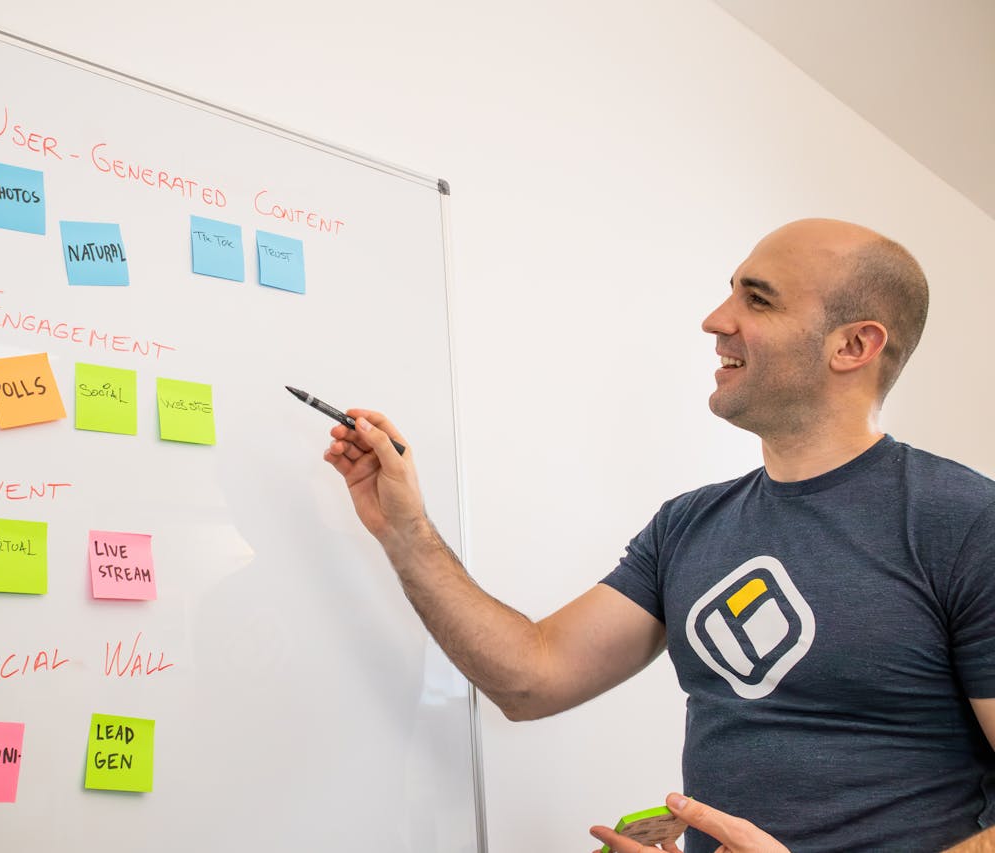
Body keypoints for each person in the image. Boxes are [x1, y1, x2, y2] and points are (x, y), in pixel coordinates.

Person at [321, 219, 995, 852]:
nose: (715, 320)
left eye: (757, 301)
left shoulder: (964, 521)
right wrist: (406, 531)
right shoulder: (688, 524)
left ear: (853, 345)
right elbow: (532, 676)